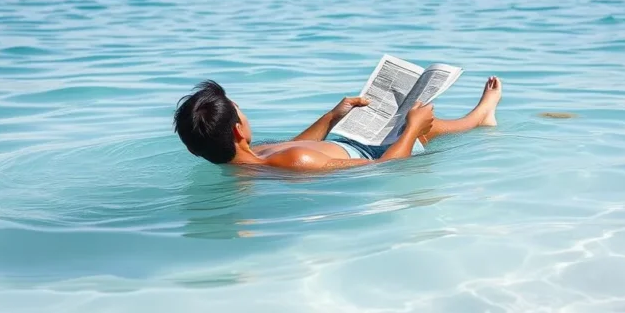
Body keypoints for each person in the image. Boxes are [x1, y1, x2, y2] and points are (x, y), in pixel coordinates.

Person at [174, 77, 502, 172]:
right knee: (420, 125)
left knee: (404, 120)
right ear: (237, 130)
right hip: (378, 154)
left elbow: (295, 145)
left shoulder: (253, 156)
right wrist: (414, 128)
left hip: (353, 141)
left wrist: (333, 116)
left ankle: (477, 117)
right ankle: (478, 118)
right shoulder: (290, 162)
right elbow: (382, 168)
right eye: (239, 110)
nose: (244, 113)